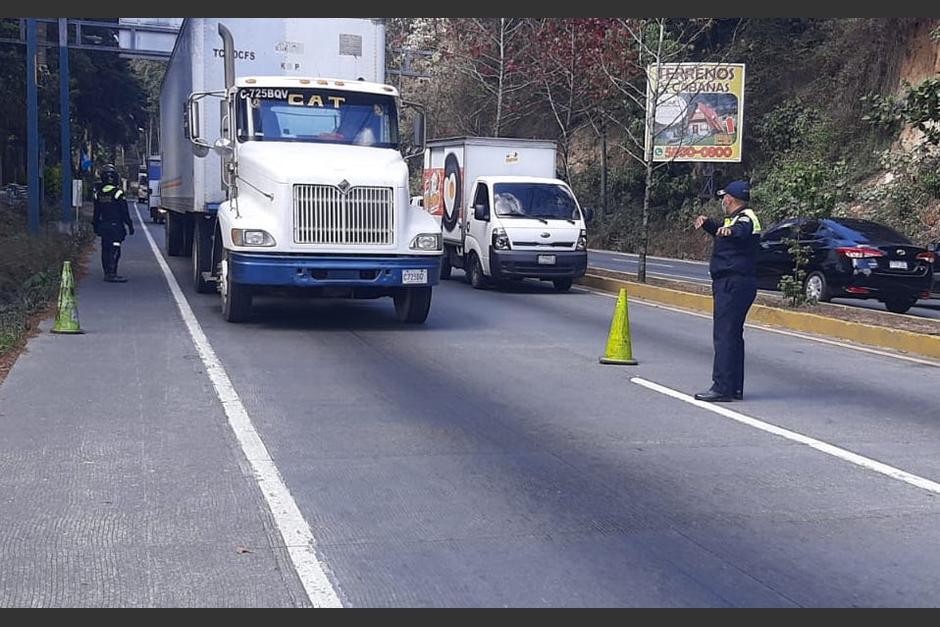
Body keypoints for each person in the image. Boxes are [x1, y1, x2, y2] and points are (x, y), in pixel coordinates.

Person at [692, 180, 762, 402]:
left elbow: (739, 232)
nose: (723, 201)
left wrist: (729, 230)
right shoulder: (733, 219)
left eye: (724, 198)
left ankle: (722, 387)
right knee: (732, 336)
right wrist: (709, 225)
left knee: (724, 335)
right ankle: (734, 387)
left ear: (730, 199)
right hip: (734, 283)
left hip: (733, 284)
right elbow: (726, 234)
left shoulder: (745, 219)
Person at [93, 164, 134, 283]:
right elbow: (124, 212)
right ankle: (112, 273)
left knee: (105, 249)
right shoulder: (118, 193)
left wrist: (95, 226)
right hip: (116, 226)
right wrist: (130, 225)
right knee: (115, 248)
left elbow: (96, 213)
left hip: (103, 226)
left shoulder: (99, 194)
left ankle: (107, 272)